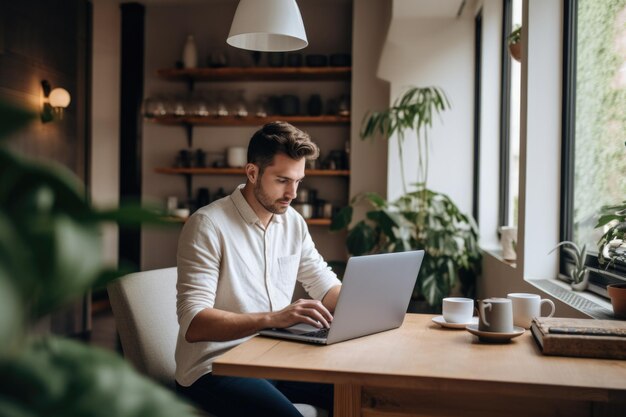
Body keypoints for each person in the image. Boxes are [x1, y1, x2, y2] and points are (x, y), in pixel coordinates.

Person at [175, 121, 342, 417]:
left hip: (274, 357)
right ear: (252, 172)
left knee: (360, 392)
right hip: (215, 367)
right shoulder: (208, 225)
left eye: (298, 181)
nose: (293, 193)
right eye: (282, 180)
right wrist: (274, 318)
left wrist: (368, 306)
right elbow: (194, 323)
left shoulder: (292, 222)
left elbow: (324, 284)